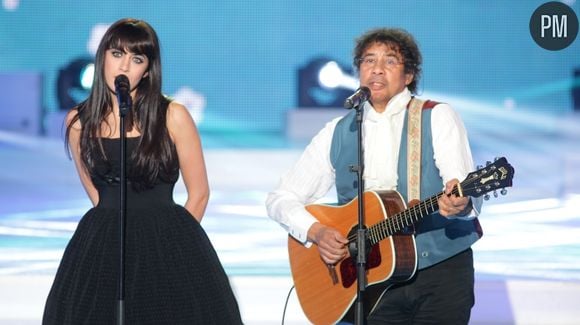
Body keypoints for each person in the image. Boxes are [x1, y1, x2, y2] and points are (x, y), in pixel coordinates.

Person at [266, 27, 483, 324]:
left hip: (439, 273)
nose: (377, 69)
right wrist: (316, 232)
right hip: (367, 284)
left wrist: (460, 203)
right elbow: (281, 198)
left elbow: (461, 187)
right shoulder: (338, 131)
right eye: (368, 61)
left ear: (409, 75)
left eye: (390, 61)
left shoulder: (437, 116)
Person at [42, 18, 243, 324]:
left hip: (167, 242)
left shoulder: (172, 115)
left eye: (136, 59)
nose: (124, 67)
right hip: (104, 244)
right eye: (117, 54)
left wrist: (173, 249)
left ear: (147, 70)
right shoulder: (79, 121)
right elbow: (96, 194)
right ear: (102, 58)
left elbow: (199, 193)